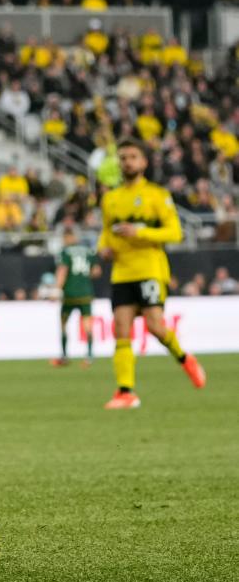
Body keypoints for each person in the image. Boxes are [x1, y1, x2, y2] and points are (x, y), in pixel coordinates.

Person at [98, 139, 206, 409]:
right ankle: (125, 392)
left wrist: (141, 232)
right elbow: (105, 233)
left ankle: (185, 359)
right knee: (121, 328)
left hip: (149, 268)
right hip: (121, 272)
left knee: (155, 326)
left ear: (144, 162)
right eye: (123, 157)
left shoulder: (157, 195)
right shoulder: (110, 198)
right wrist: (104, 249)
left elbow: (175, 232)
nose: (127, 162)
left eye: (133, 157)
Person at [53, 226, 101, 367]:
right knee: (87, 325)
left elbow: (62, 271)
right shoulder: (88, 251)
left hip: (70, 293)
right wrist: (84, 278)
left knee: (63, 323)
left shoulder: (65, 252)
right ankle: (90, 356)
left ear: (68, 237)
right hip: (86, 293)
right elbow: (97, 271)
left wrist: (57, 289)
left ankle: (64, 356)